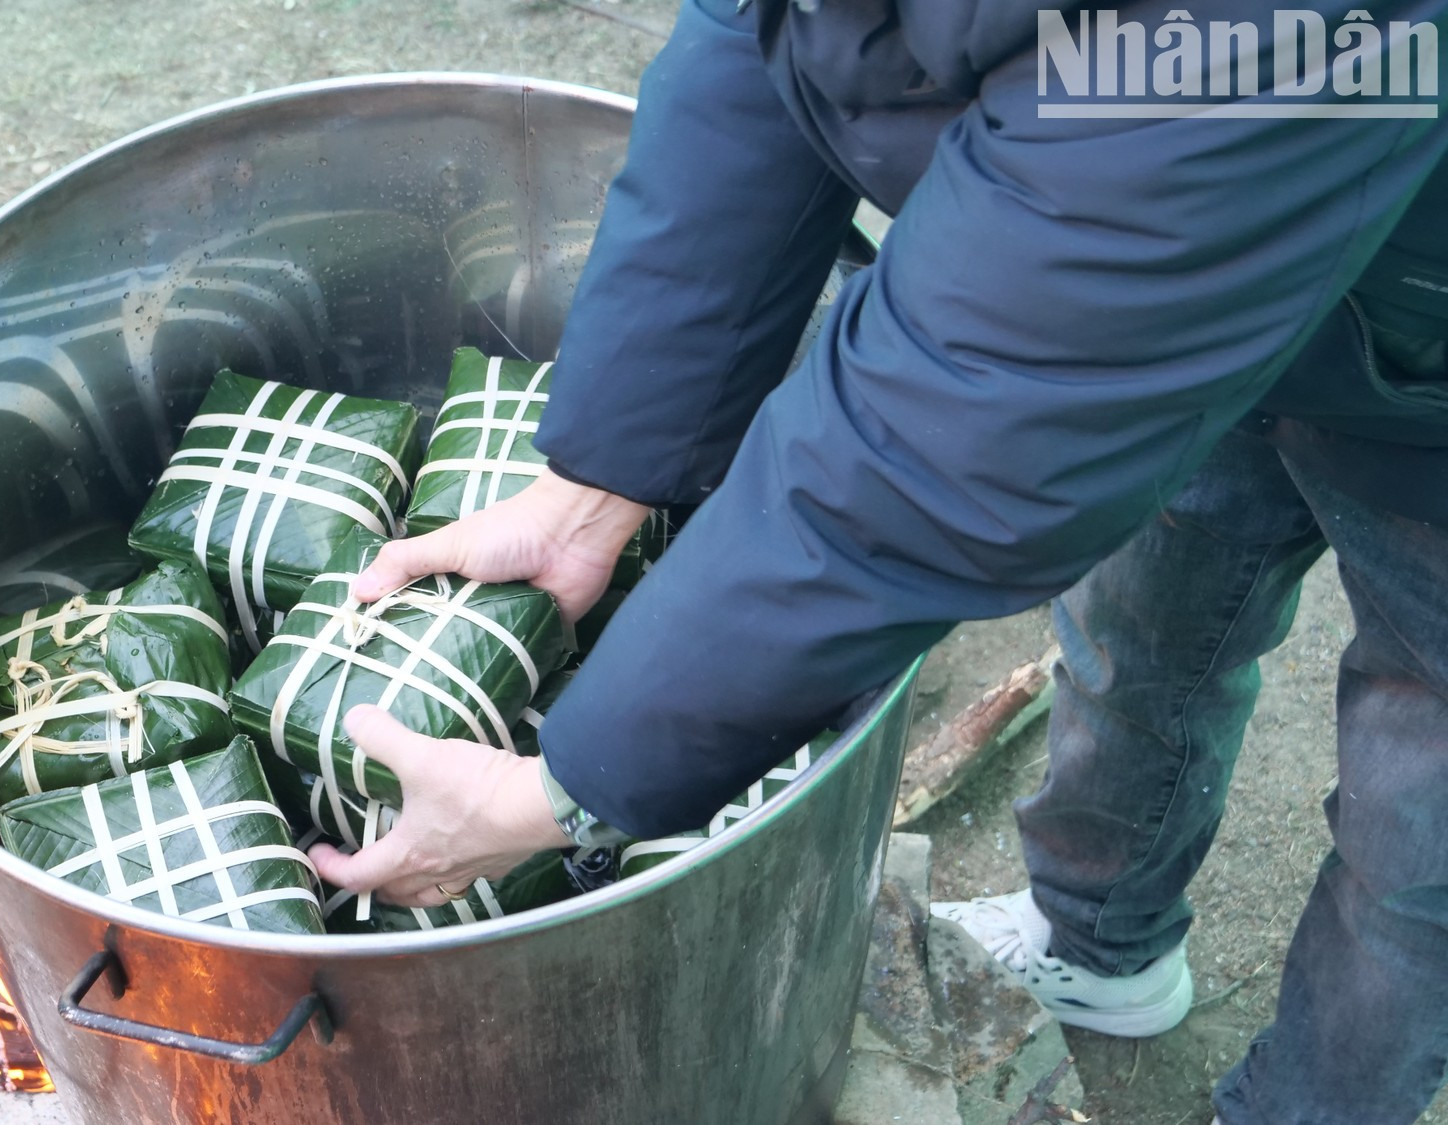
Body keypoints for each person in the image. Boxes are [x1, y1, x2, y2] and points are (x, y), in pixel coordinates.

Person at [306, 0, 1448, 1121]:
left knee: (1419, 808)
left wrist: (554, 789)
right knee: (1145, 623)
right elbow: (758, 59)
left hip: (1418, 355)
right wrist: (595, 480)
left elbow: (948, 444)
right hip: (1199, 287)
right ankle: (1098, 948)